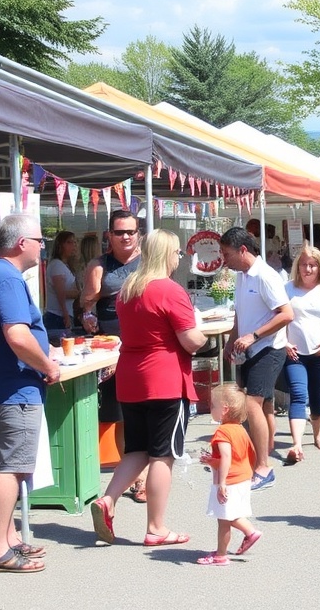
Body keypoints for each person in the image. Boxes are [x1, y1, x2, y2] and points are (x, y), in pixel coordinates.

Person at [89, 228, 206, 548]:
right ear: (167, 254)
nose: (179, 258)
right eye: (178, 253)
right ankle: (156, 527)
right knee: (162, 455)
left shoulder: (128, 288)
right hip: (164, 379)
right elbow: (190, 341)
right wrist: (203, 334)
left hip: (131, 376)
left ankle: (108, 499)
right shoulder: (169, 289)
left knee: (137, 449)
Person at [0, 214, 60, 572]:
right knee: (10, 468)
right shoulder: (5, 278)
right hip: (12, 390)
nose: (41, 247)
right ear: (22, 243)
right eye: (40, 240)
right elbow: (17, 336)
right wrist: (48, 366)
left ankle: (2, 538)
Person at [220, 227, 294, 492]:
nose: (223, 259)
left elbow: (286, 314)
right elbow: (240, 313)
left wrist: (254, 335)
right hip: (250, 348)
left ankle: (263, 467)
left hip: (269, 348)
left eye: (226, 253)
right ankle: (256, 458)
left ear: (243, 250)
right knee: (261, 407)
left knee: (252, 404)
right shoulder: (241, 275)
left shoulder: (265, 275)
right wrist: (231, 340)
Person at [80, 209, 144, 497]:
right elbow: (86, 305)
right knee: (119, 413)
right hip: (111, 347)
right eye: (120, 232)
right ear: (110, 235)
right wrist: (87, 315)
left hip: (145, 345)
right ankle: (133, 475)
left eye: (131, 231)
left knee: (145, 410)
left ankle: (143, 474)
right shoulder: (99, 264)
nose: (126, 236)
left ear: (138, 233)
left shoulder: (148, 262)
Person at [283, 246, 320, 462]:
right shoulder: (287, 289)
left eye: (312, 265)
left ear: (319, 267)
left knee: (316, 396)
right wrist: (285, 342)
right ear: (297, 266)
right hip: (294, 354)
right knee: (299, 395)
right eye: (303, 264)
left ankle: (317, 434)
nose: (307, 269)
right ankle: (297, 444)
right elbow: (278, 319)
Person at [197, 385, 262, 565]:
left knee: (224, 519)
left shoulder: (222, 432)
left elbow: (226, 457)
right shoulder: (240, 430)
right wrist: (213, 461)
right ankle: (227, 548)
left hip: (229, 481)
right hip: (242, 478)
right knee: (229, 514)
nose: (211, 409)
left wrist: (222, 482)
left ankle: (223, 553)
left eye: (213, 406)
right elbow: (238, 456)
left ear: (224, 410)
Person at [43, 230, 79, 335]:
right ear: (60, 245)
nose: (73, 246)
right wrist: (66, 315)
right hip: (58, 316)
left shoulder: (65, 265)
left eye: (74, 242)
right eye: (69, 242)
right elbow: (60, 293)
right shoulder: (56, 265)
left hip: (64, 314)